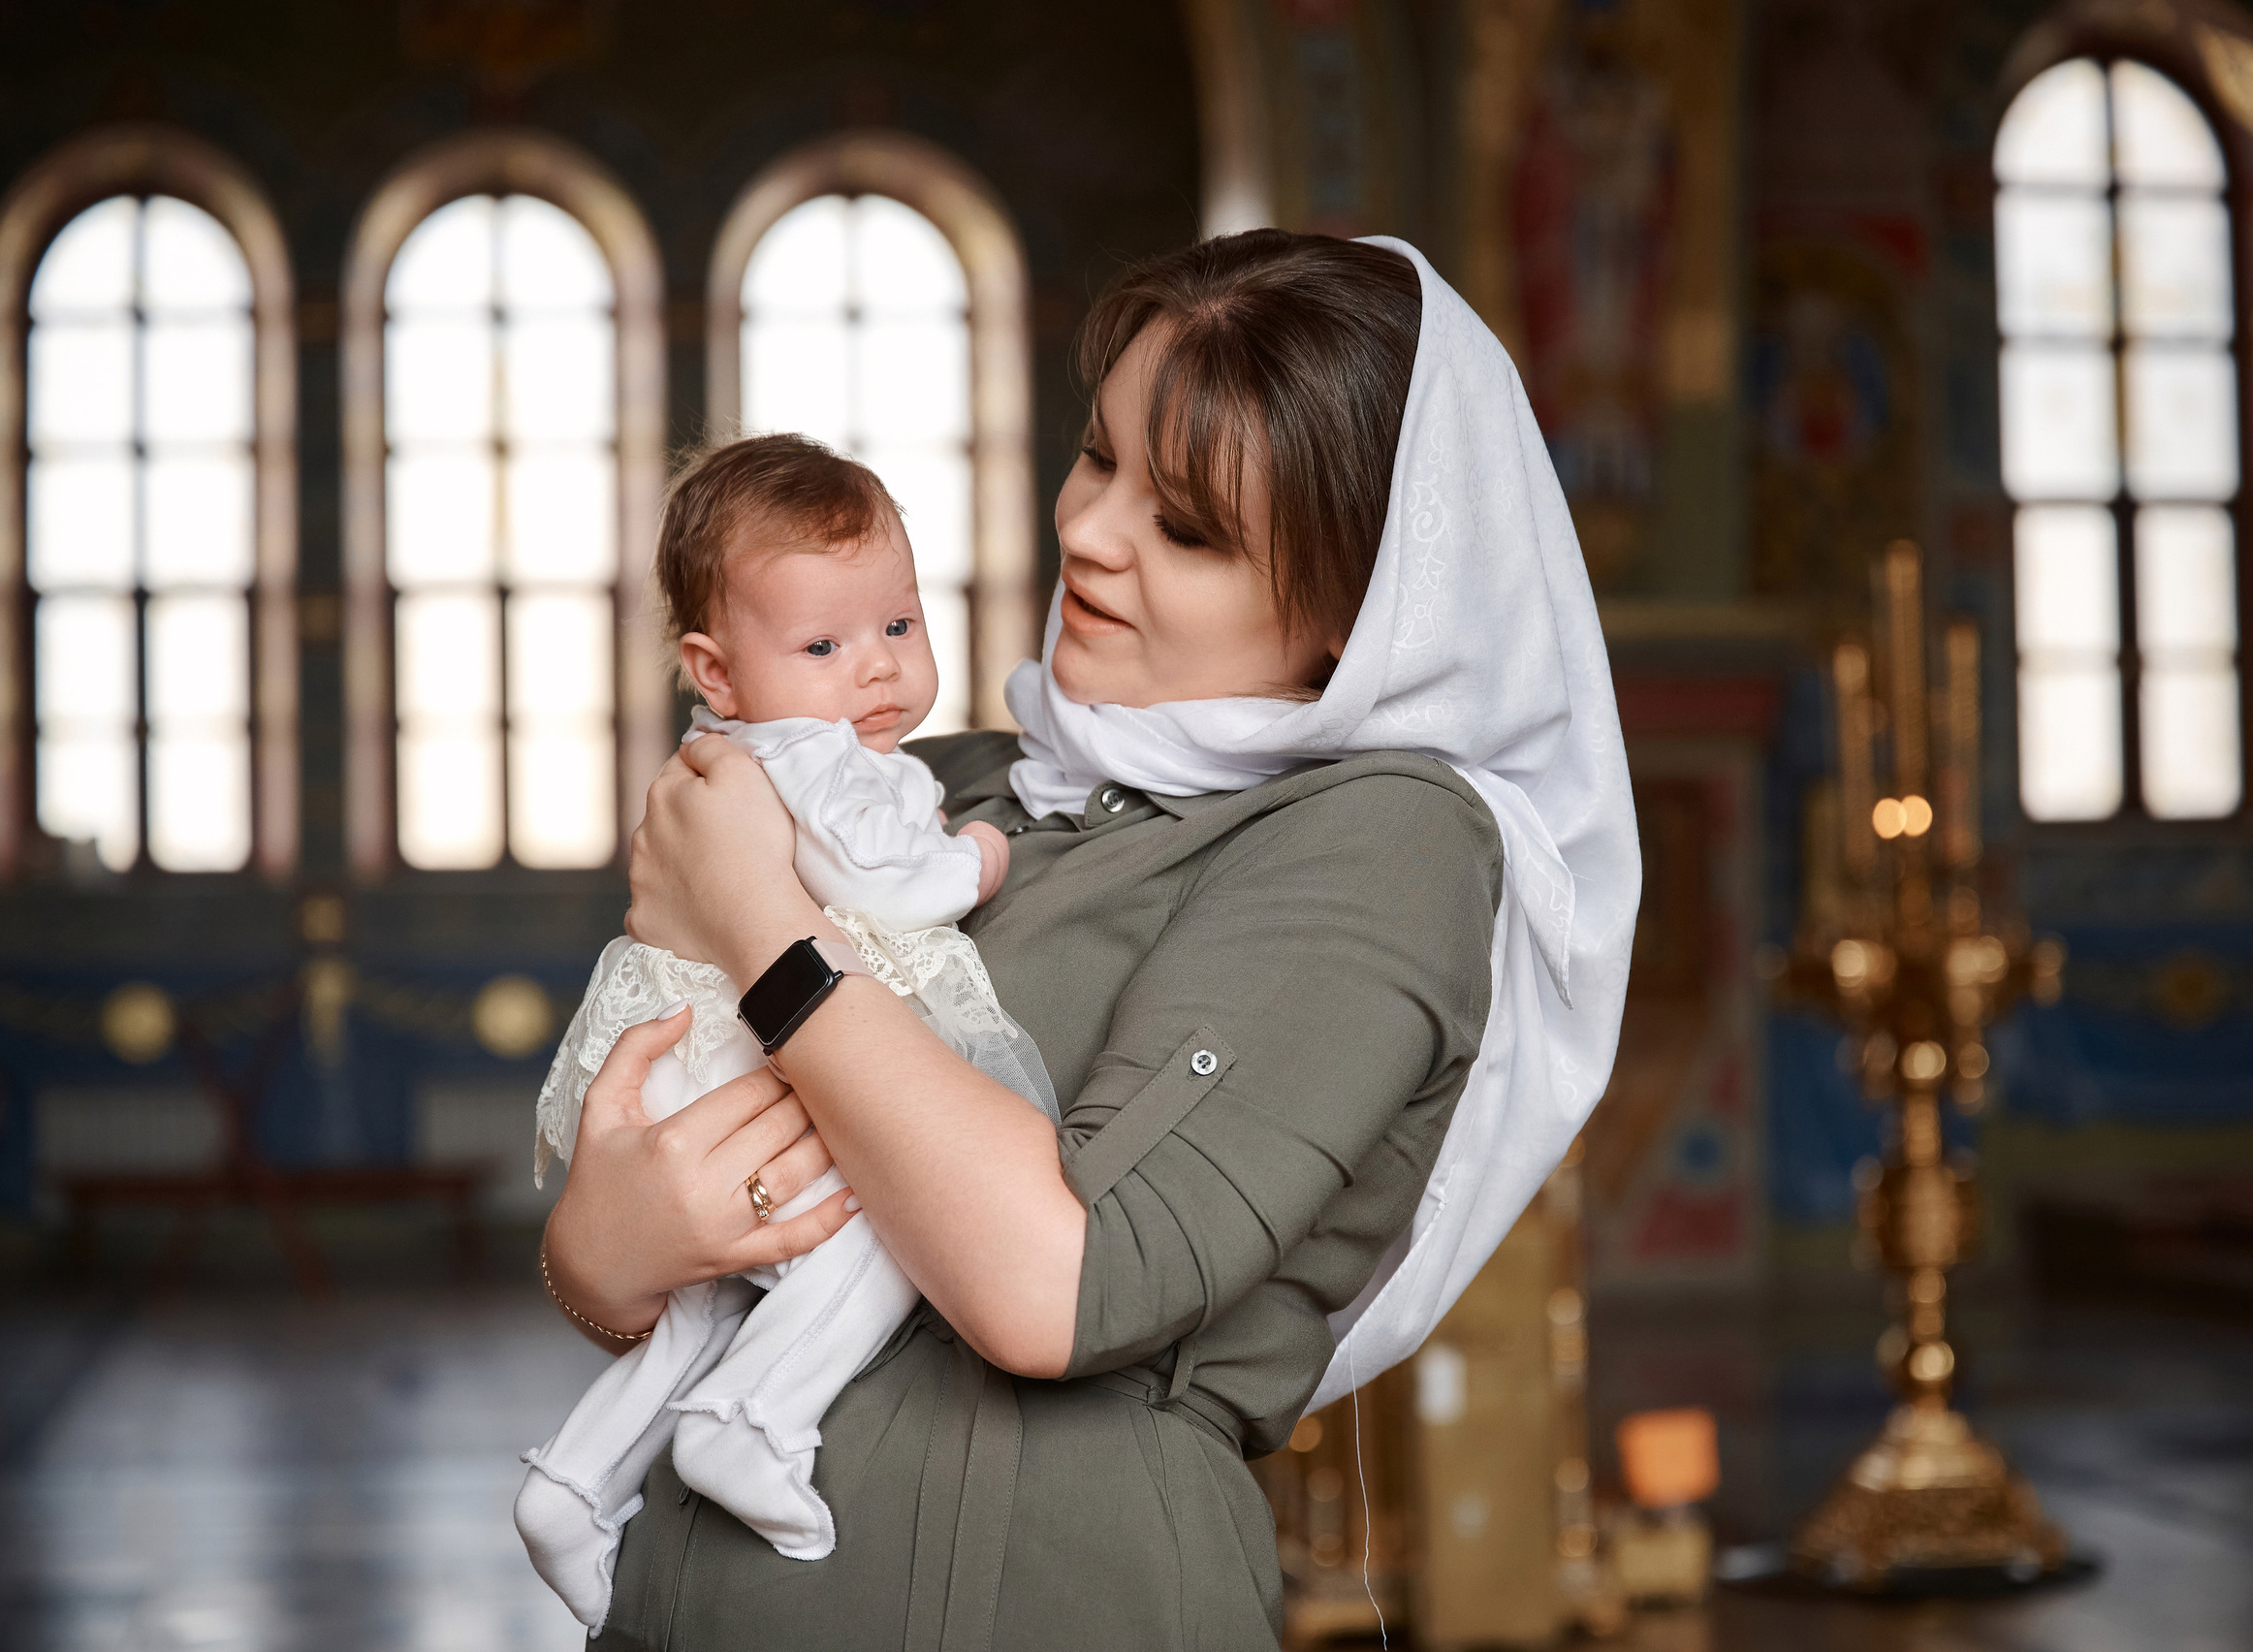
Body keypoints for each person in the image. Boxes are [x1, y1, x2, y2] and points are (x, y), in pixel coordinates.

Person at [541, 229, 1640, 1651]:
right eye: (1097, 455)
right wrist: (600, 1253)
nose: (1087, 531)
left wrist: (757, 915)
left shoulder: (1386, 841)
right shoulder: (967, 783)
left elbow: (1056, 1291)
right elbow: (677, 1208)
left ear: (1353, 615)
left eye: (1185, 527)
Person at [517, 436, 1056, 1631]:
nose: (874, 671)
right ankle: (753, 1419)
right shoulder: (813, 757)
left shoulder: (759, 749)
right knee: (895, 1222)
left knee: (713, 1298)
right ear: (716, 671)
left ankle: (577, 1477)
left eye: (899, 628)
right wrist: (975, 856)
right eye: (822, 646)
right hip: (740, 1054)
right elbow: (889, 882)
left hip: (688, 1062)